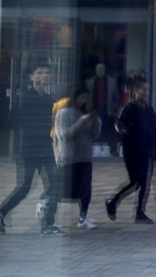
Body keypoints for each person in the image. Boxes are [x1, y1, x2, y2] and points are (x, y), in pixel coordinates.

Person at [0, 65, 63, 235]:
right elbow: (11, 121)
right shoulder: (24, 98)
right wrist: (28, 134)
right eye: (40, 73)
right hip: (27, 150)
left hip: (45, 149)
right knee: (24, 187)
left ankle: (47, 224)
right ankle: (0, 212)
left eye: (47, 73)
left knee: (55, 184)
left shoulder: (48, 99)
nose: (45, 76)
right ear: (32, 77)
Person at [105, 76, 156, 224]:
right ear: (135, 90)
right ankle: (114, 201)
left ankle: (139, 211)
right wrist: (128, 134)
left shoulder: (147, 108)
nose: (146, 92)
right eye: (143, 89)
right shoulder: (129, 107)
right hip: (133, 150)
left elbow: (154, 125)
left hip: (146, 149)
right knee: (137, 181)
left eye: (148, 90)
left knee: (144, 182)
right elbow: (119, 124)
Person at [54, 85, 102, 229]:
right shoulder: (63, 113)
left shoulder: (84, 113)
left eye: (86, 98)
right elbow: (64, 135)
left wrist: (96, 123)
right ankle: (47, 209)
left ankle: (83, 216)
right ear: (74, 97)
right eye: (81, 97)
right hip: (69, 157)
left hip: (85, 156)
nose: (84, 101)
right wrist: (82, 121)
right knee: (65, 190)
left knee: (85, 189)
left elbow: (93, 136)